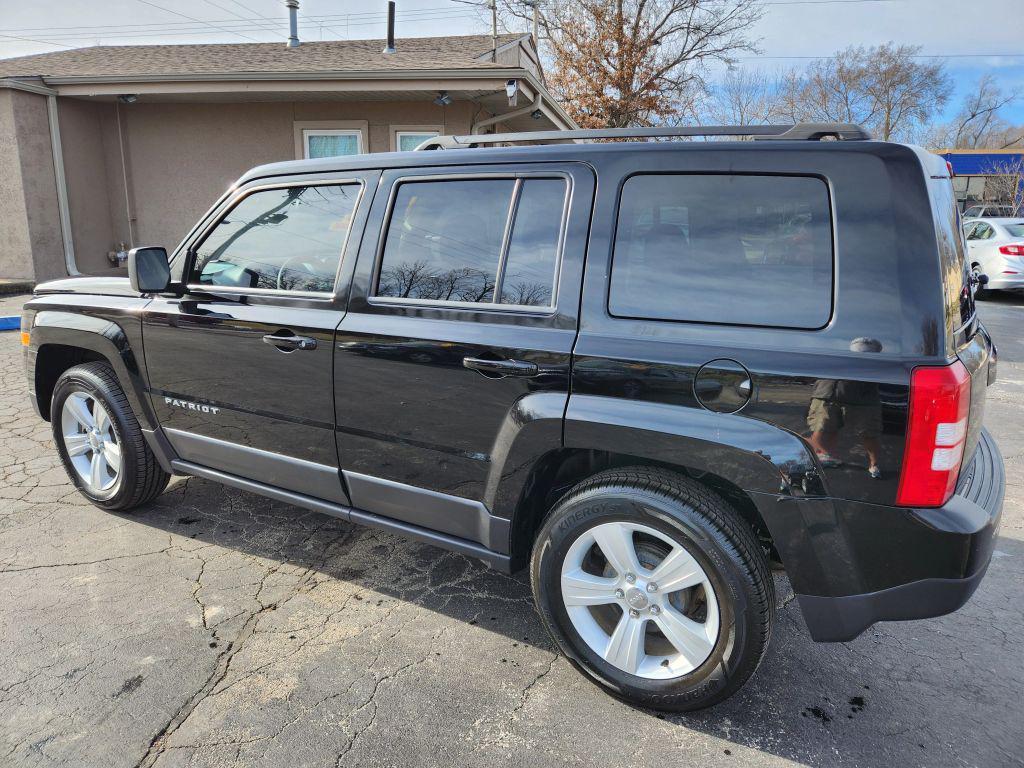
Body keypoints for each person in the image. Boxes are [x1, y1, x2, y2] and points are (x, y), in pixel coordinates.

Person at [807, 337, 884, 478]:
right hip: (826, 394)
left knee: (869, 433)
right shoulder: (834, 351)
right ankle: (819, 458)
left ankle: (874, 464)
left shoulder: (875, 363)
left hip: (863, 399)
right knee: (822, 429)